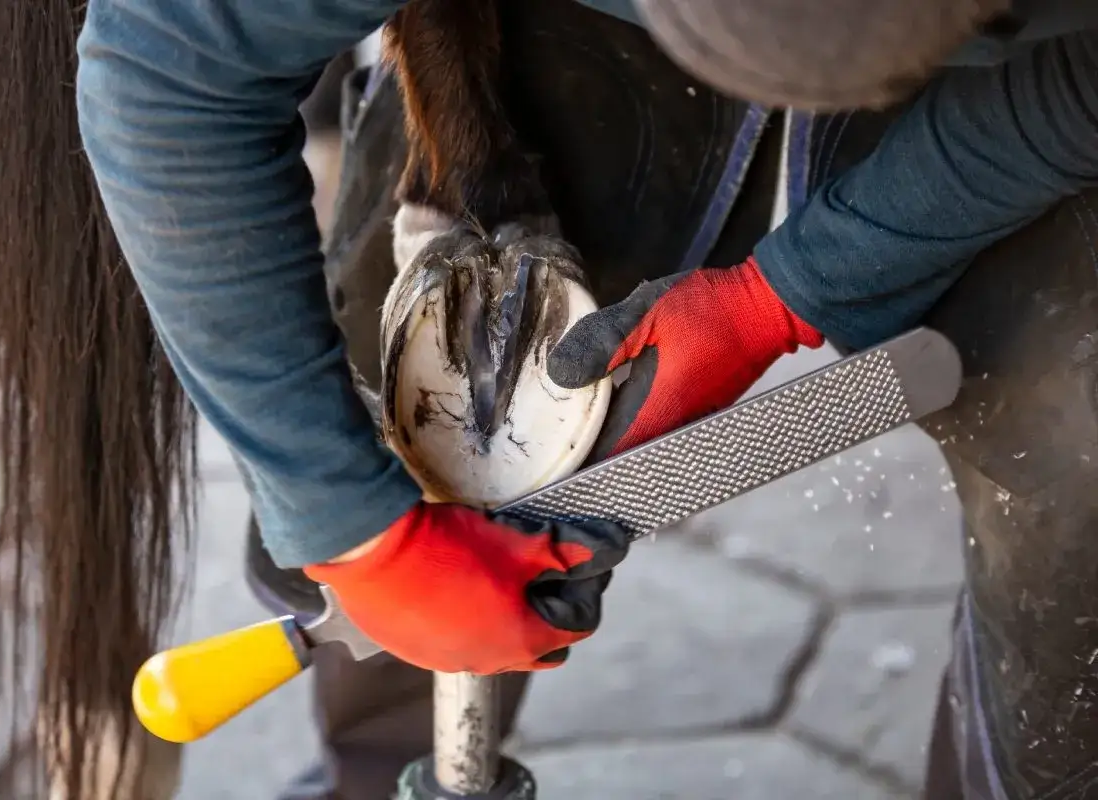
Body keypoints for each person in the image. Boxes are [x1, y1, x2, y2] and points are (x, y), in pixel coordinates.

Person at [74, 1, 1098, 799]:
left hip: (1040, 55)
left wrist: (784, 292)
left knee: (1075, 467)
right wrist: (353, 534)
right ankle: (377, 759)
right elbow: (165, 71)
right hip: (602, 22)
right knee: (442, 379)